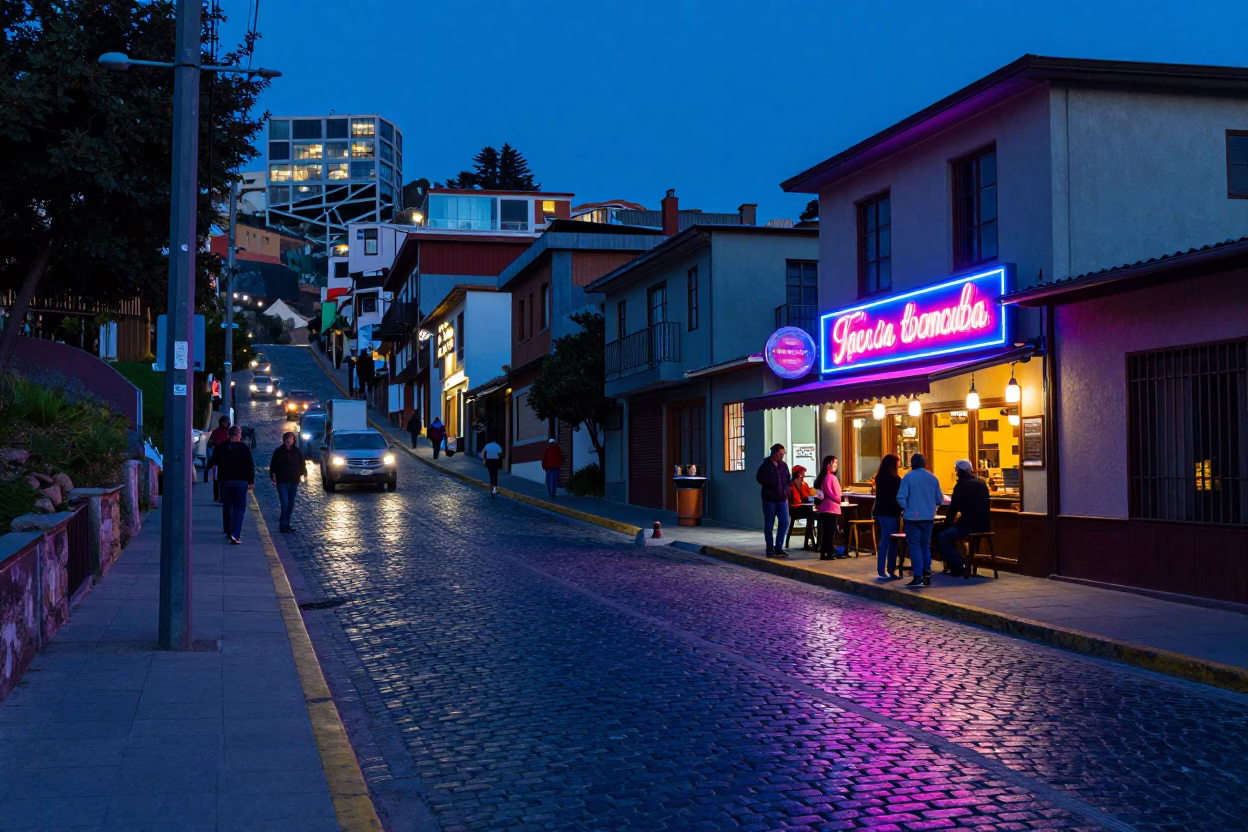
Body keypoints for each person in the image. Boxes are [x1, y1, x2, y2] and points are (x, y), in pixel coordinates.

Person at [895, 453, 944, 587]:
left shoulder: (908, 477)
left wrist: (907, 508)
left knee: (915, 546)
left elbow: (900, 497)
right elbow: (940, 499)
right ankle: (927, 574)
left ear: (912, 464)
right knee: (925, 546)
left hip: (912, 518)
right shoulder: (933, 478)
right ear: (924, 464)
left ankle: (918, 575)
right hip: (928, 518)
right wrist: (932, 508)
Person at [937, 459, 991, 578]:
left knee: (942, 537)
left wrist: (947, 523)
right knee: (951, 533)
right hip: (985, 525)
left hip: (968, 526)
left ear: (960, 471)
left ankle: (960, 565)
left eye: (956, 470)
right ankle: (963, 562)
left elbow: (953, 509)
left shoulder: (960, 486)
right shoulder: (982, 483)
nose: (955, 473)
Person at [206, 426, 255, 544]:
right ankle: (235, 534)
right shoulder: (244, 448)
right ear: (238, 435)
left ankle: (229, 531)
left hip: (225, 481)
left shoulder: (221, 447)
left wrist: (207, 470)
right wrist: (251, 481)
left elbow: (213, 461)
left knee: (228, 506)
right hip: (241, 481)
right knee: (239, 508)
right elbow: (250, 465)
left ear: (229, 435)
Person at [755, 443, 791, 558]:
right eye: (781, 454)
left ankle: (779, 547)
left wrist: (787, 491)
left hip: (782, 499)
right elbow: (759, 478)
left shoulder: (784, 466)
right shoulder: (766, 466)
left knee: (784, 522)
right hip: (769, 500)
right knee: (769, 525)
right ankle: (770, 548)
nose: (782, 456)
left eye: (783, 454)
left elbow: (787, 480)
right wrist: (770, 484)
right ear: (775, 453)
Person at [269, 431, 307, 533]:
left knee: (291, 504)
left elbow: (302, 464)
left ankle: (287, 524)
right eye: (287, 438)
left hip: (294, 481)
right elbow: (273, 465)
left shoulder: (297, 452)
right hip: (282, 481)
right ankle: (283, 525)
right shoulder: (278, 452)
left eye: (291, 439)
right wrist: (272, 475)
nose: (289, 440)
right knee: (285, 503)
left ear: (293, 440)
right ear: (284, 440)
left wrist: (304, 474)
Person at [872, 454, 903, 580]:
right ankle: (890, 569)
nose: (899, 465)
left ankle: (881, 569)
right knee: (893, 542)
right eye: (898, 463)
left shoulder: (879, 478)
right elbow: (899, 497)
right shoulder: (896, 480)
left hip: (880, 512)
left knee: (884, 540)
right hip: (891, 513)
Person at [813, 455, 845, 560]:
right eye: (834, 463)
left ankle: (824, 552)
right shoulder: (831, 477)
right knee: (830, 533)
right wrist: (838, 500)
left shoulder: (821, 478)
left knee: (825, 531)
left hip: (823, 508)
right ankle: (829, 553)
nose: (836, 465)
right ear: (828, 465)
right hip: (831, 508)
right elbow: (834, 494)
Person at [787, 465, 817, 550]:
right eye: (802, 474)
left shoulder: (804, 485)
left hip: (803, 508)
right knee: (810, 513)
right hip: (794, 509)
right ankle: (809, 538)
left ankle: (810, 538)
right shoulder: (791, 485)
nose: (803, 476)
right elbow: (794, 500)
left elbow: (806, 497)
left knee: (813, 513)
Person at [206, 416, 230, 503]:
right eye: (228, 421)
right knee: (220, 479)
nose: (229, 423)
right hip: (224, 459)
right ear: (223, 423)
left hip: (219, 459)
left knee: (217, 479)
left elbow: (209, 444)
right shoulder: (228, 432)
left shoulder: (216, 432)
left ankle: (218, 497)